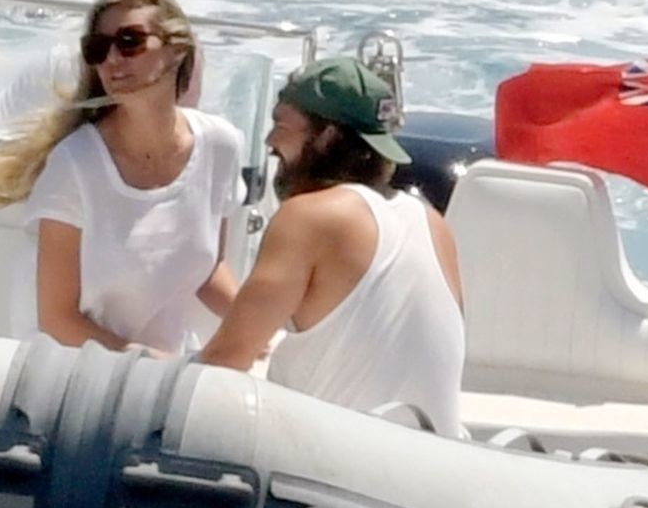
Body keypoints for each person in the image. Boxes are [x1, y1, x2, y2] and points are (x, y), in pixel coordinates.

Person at [0, 0, 243, 355]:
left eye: (130, 41)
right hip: (76, 371)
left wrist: (259, 331)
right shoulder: (74, 165)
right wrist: (151, 365)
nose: (112, 59)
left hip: (165, 367)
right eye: (97, 48)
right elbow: (58, 320)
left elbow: (209, 271)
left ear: (177, 50)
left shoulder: (221, 146)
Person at [200, 57, 466, 436]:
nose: (270, 141)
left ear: (326, 136)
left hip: (338, 462)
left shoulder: (309, 218)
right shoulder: (433, 222)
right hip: (433, 457)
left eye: (281, 125)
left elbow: (224, 363)